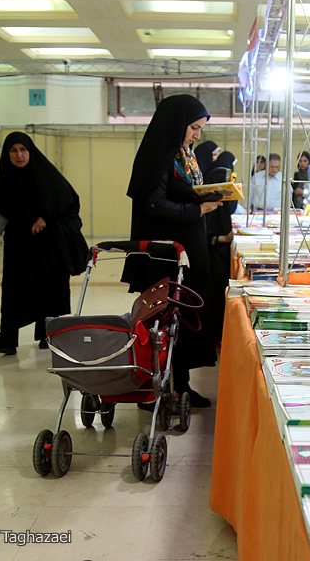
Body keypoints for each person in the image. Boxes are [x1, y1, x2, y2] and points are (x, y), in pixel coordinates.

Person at [122, 94, 222, 408]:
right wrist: (198, 210)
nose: (197, 135)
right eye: (194, 127)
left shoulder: (184, 156)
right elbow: (154, 204)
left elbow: (182, 192)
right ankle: (155, 389)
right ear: (178, 124)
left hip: (188, 252)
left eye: (200, 129)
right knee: (163, 322)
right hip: (164, 256)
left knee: (185, 318)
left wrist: (210, 194)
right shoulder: (159, 155)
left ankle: (181, 387)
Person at [0, 132, 87, 355]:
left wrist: (46, 217)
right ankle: (8, 339)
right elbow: (4, 212)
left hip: (48, 246)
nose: (19, 155)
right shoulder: (8, 179)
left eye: (23, 150)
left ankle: (47, 334)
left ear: (30, 151)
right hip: (19, 246)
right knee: (14, 291)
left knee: (48, 290)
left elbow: (68, 202)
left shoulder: (47, 175)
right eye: (13, 151)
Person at [204, 151, 236, 347]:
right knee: (214, 297)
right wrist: (223, 238)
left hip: (221, 257)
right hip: (211, 258)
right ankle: (213, 337)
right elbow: (205, 237)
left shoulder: (222, 208)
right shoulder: (208, 208)